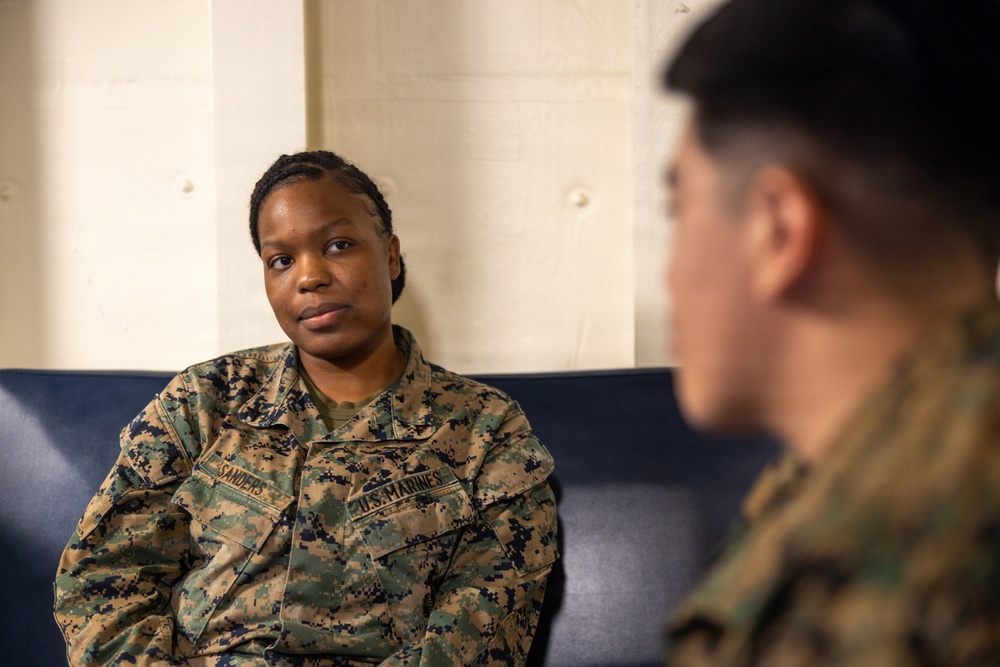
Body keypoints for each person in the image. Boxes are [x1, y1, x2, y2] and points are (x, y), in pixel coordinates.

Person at [53, 151, 558, 666]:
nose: (309, 276)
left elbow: (479, 635)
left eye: (338, 245)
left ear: (390, 255)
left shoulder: (485, 430)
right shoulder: (204, 401)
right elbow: (101, 582)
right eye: (281, 260)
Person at [659, 0, 1000, 664]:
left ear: (778, 228)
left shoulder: (907, 536)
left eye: (678, 208)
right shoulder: (875, 464)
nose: (668, 274)